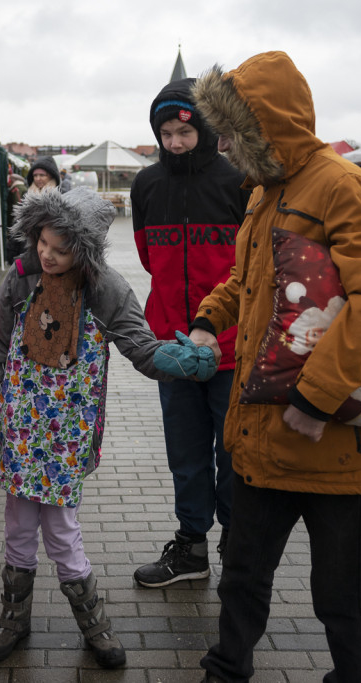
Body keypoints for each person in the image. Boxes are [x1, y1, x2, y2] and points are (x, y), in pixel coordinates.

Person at [189, 51, 361, 682]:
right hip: (264, 435)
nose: (228, 145)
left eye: (236, 131)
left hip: (331, 443)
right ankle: (225, 670)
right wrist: (210, 319)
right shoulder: (268, 190)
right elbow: (248, 279)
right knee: (242, 572)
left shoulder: (341, 185)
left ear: (269, 126)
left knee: (341, 596)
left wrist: (317, 399)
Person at [0, 187, 211, 669]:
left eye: (61, 249)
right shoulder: (19, 280)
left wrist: (180, 360)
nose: (48, 255)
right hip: (19, 430)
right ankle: (12, 618)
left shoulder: (106, 289)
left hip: (65, 435)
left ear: (84, 250)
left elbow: (140, 348)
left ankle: (93, 623)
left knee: (61, 531)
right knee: (17, 526)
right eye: (43, 243)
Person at [129, 77, 251, 587]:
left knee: (234, 454)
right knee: (186, 454)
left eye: (183, 130)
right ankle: (192, 549)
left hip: (231, 346)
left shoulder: (239, 181)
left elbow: (253, 265)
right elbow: (146, 257)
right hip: (173, 350)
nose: (174, 142)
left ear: (202, 125)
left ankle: (240, 548)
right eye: (165, 133)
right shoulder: (147, 185)